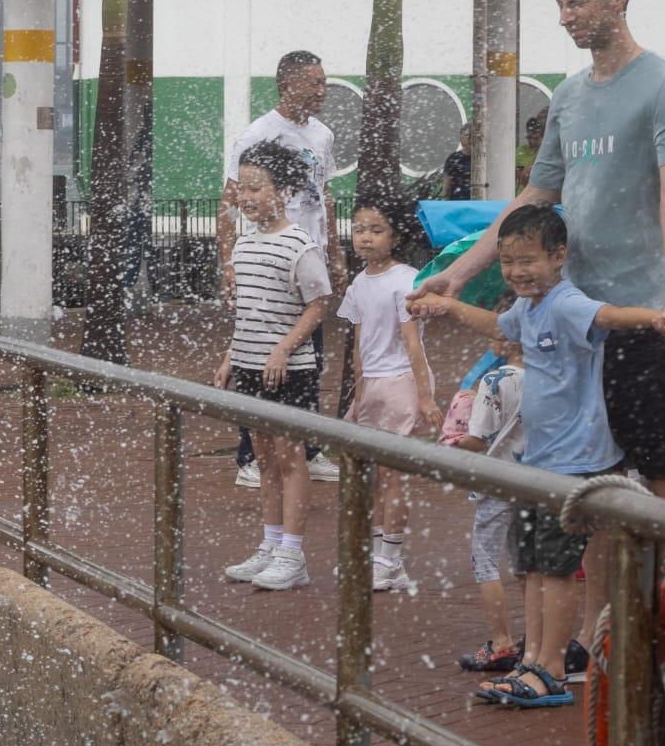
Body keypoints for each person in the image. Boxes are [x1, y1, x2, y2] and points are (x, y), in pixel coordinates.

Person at [413, 0, 665, 596]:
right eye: (560, 4)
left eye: (576, 2)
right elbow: (533, 199)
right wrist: (460, 273)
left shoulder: (664, 84)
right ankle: (600, 642)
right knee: (595, 489)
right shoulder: (572, 96)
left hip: (645, 318)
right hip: (577, 326)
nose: (566, 16)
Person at [412, 206, 665, 709]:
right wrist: (446, 307)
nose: (516, 271)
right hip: (538, 461)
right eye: (509, 261)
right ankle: (532, 660)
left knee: (556, 571)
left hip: (574, 462)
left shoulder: (564, 303)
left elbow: (608, 315)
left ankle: (553, 670)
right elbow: (498, 324)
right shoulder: (529, 308)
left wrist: (660, 315)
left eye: (528, 261)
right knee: (533, 568)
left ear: (559, 257)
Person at [219, 51, 343, 487]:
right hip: (265, 256)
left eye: (324, 82)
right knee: (258, 355)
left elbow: (324, 195)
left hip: (306, 255)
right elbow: (230, 200)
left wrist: (335, 251)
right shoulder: (258, 134)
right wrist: (228, 262)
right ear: (286, 85)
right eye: (315, 83)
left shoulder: (322, 135)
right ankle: (250, 454)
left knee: (308, 358)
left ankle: (308, 448)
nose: (322, 90)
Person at [216, 142, 332, 592]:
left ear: (282, 192)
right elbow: (247, 311)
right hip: (248, 367)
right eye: (241, 189)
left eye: (255, 188)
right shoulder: (244, 245)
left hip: (289, 371)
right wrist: (230, 356)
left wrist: (284, 348)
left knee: (291, 458)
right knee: (263, 460)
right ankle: (269, 543)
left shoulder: (299, 245)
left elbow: (319, 303)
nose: (245, 197)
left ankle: (293, 552)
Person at [337, 197, 440, 593]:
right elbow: (359, 345)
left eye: (376, 230)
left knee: (394, 476)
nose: (365, 238)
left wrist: (424, 396)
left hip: (401, 382)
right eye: (360, 229)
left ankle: (391, 559)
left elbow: (412, 343)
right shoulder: (359, 283)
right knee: (378, 477)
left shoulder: (407, 281)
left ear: (395, 236)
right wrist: (358, 395)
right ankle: (383, 558)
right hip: (375, 386)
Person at [448, 338, 525, 673]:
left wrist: (453, 439)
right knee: (528, 564)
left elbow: (477, 440)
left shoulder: (495, 381)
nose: (492, 340)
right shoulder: (550, 375)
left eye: (497, 331)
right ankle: (537, 643)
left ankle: (502, 641)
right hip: (536, 480)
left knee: (486, 563)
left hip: (497, 479)